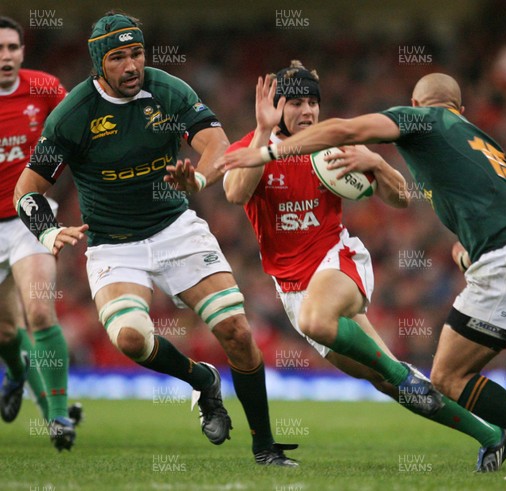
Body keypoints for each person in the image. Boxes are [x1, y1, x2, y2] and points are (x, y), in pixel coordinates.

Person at [217, 72, 506, 479]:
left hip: (340, 263)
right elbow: (235, 193)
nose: (307, 110)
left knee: (446, 375)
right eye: (296, 103)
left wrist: (373, 161)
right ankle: (491, 434)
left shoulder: (412, 123)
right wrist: (263, 141)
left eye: (313, 102)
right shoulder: (479, 137)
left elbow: (367, 153)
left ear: (416, 108)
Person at [13, 11, 297, 466]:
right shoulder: (73, 114)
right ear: (98, 64)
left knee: (237, 333)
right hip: (113, 243)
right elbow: (27, 189)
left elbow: (217, 147)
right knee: (130, 338)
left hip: (175, 229)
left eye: (138, 53)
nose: (131, 66)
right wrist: (46, 229)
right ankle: (203, 382)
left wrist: (199, 182)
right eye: (119, 57)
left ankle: (265, 448)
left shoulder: (167, 91)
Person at [0, 15, 82, 451]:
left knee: (39, 313)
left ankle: (58, 416)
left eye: (12, 47)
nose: (6, 57)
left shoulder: (45, 89)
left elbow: (80, 126)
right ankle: (17, 373)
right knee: (6, 333)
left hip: (28, 214)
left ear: (22, 51)